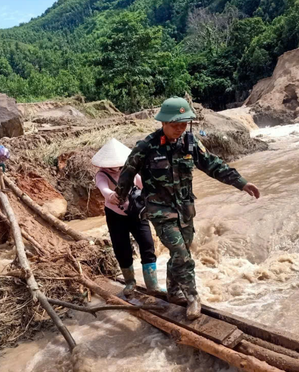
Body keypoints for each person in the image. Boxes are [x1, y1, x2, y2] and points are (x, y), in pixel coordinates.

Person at [115, 97, 260, 320]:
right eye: (175, 124)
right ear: (163, 122)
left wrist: (241, 182)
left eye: (184, 124)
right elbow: (127, 172)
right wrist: (120, 196)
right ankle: (193, 297)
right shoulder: (146, 147)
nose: (180, 128)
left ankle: (173, 291)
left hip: (185, 209)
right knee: (181, 254)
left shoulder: (190, 143)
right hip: (160, 211)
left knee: (180, 253)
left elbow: (213, 165)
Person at [92, 138, 164, 296]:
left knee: (147, 245)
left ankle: (153, 285)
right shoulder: (101, 175)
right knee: (122, 249)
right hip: (115, 216)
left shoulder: (130, 169)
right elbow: (103, 187)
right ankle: (130, 283)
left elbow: (143, 183)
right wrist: (110, 195)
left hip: (137, 212)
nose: (115, 167)